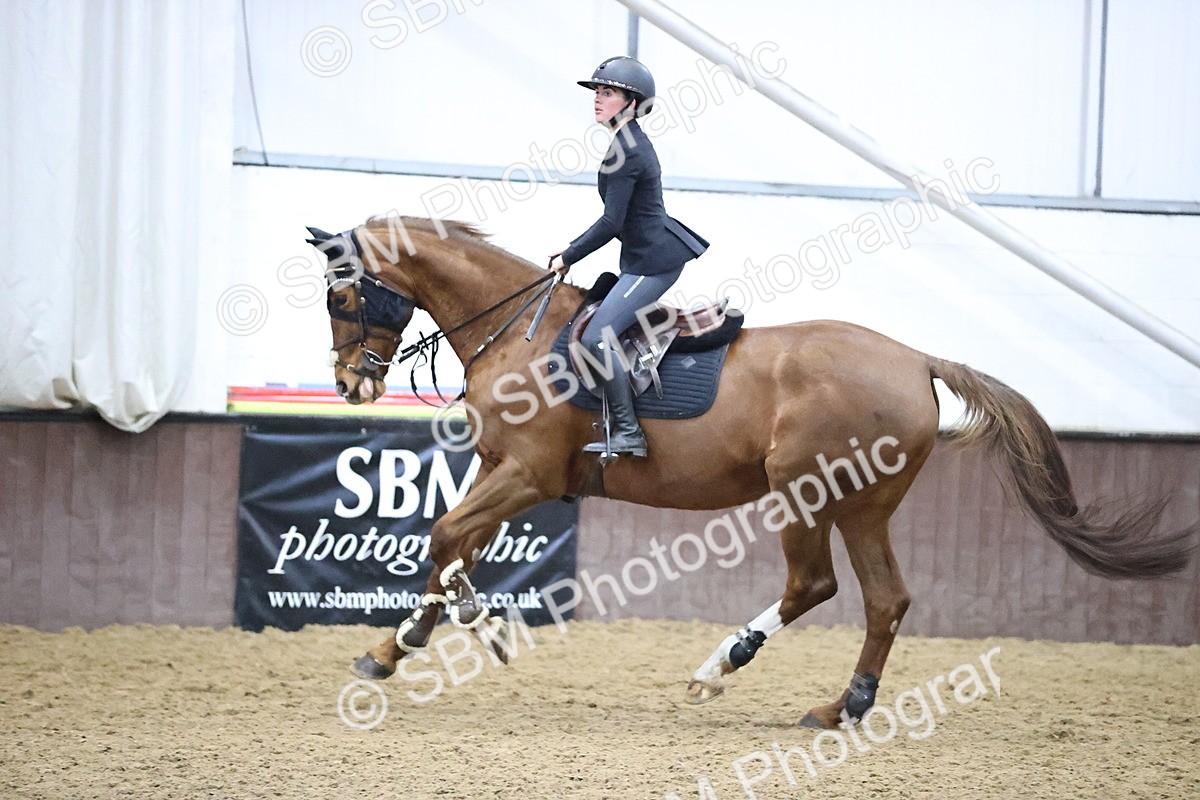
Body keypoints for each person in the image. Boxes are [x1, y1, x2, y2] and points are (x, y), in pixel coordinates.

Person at [549, 56, 709, 458]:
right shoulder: (624, 142)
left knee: (596, 340)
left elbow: (611, 222)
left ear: (632, 102)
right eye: (598, 93)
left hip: (651, 262)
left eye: (608, 93)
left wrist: (568, 255)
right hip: (641, 257)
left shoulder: (629, 150)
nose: (598, 100)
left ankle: (628, 431)